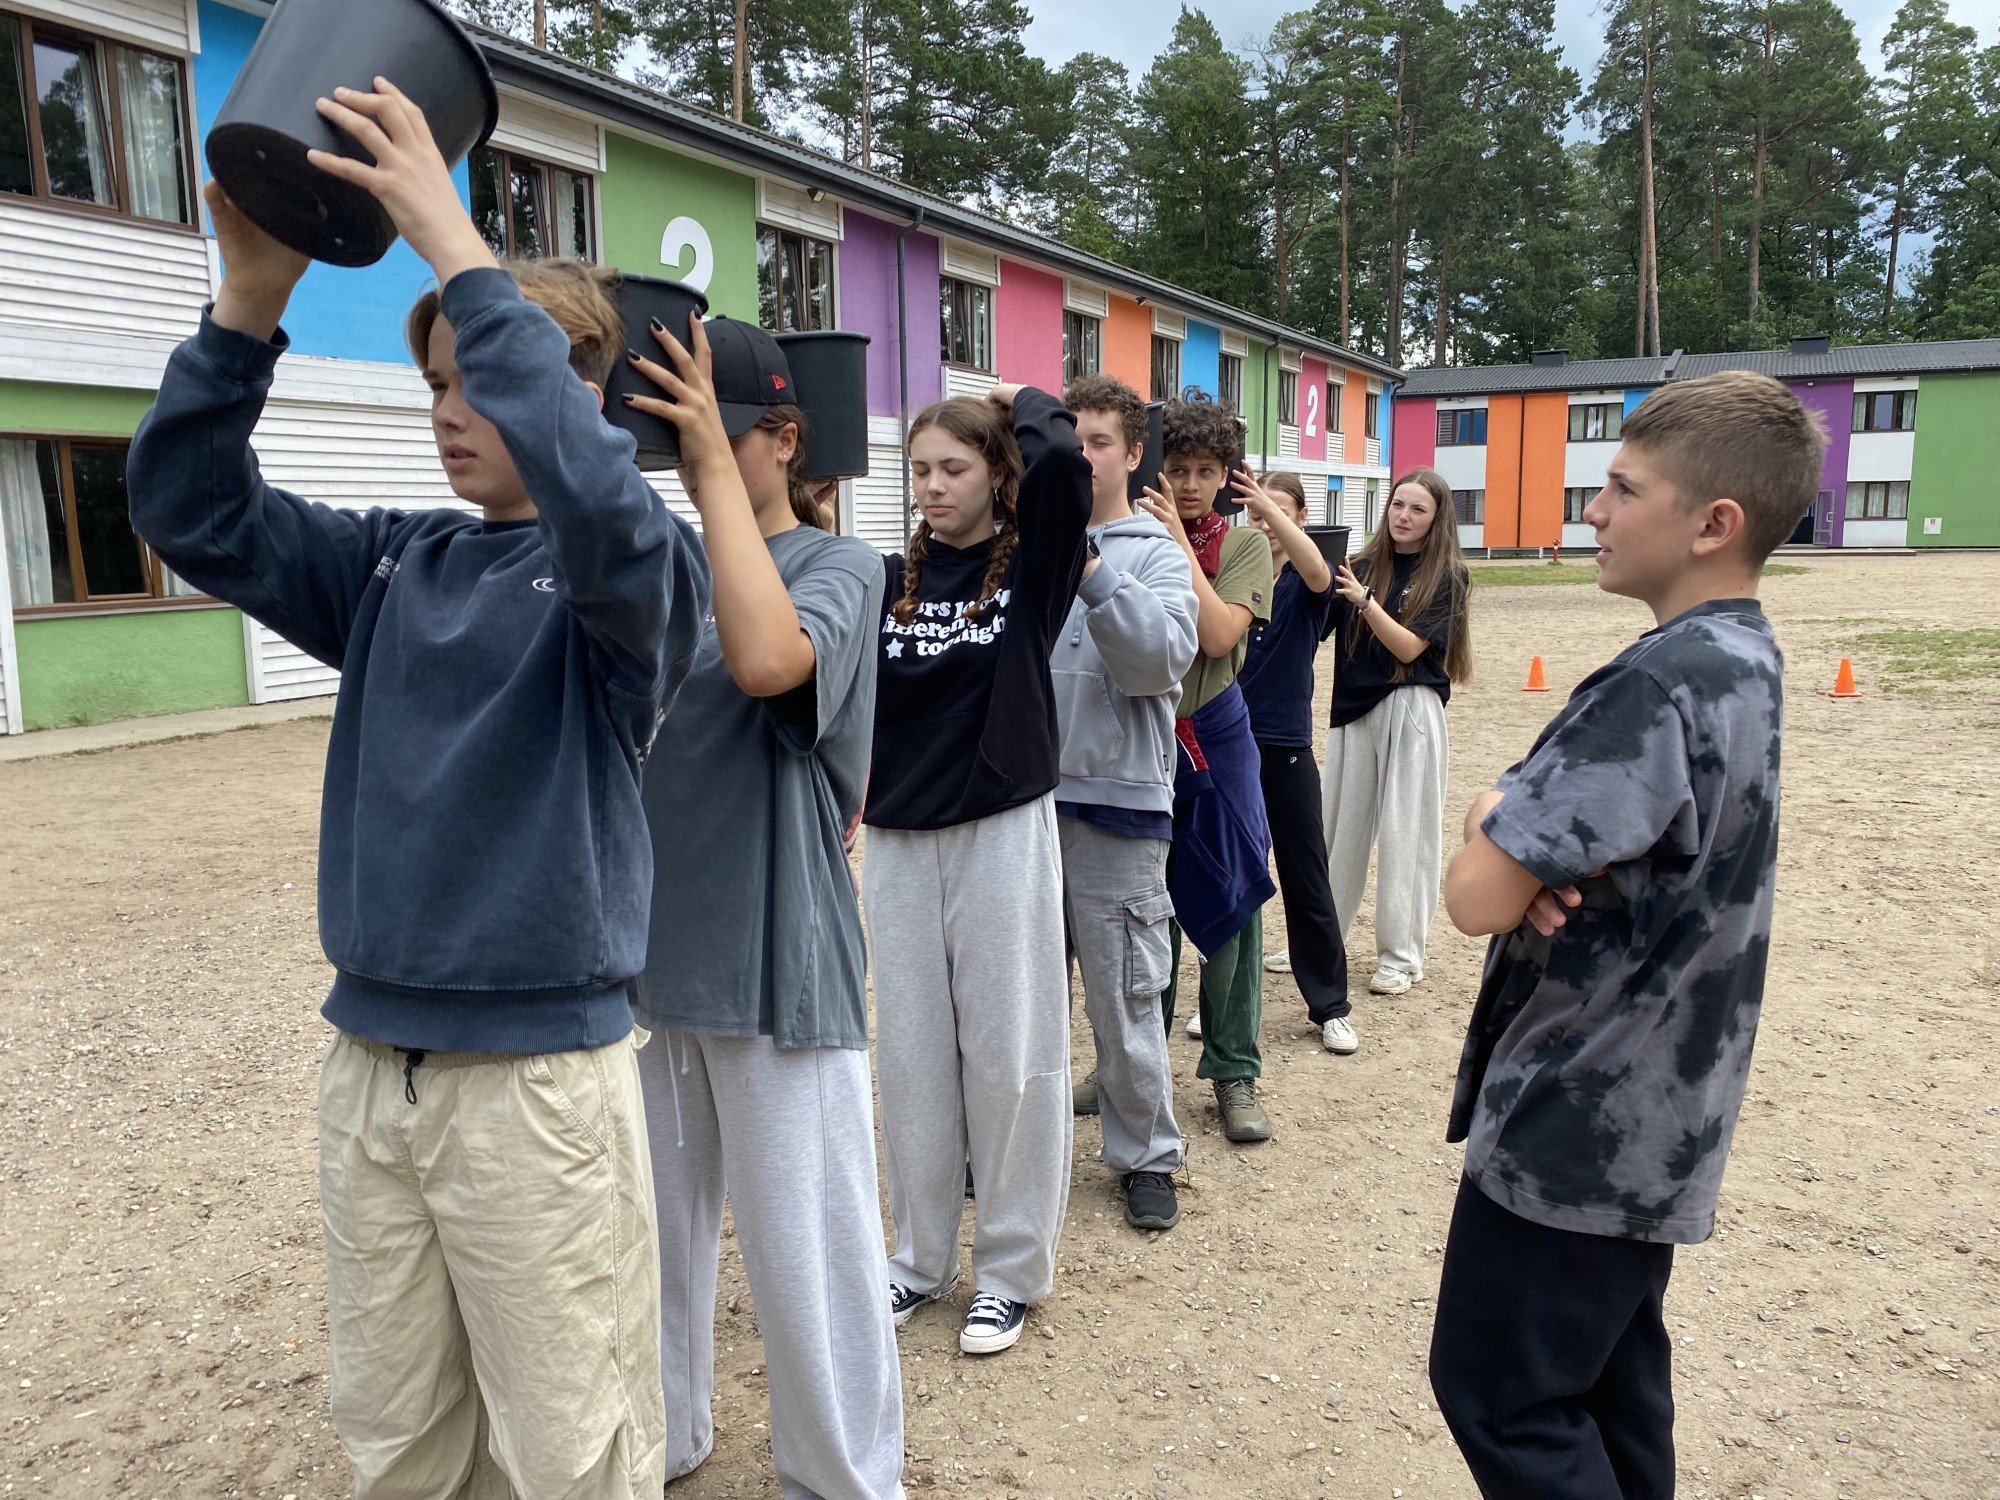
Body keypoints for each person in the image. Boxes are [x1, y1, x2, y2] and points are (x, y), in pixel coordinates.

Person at [126, 81, 706, 1499]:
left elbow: (601, 497)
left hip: (535, 1087)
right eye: (434, 385)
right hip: (370, 1063)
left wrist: (457, 246)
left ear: (568, 399)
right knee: (397, 1439)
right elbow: (189, 508)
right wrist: (247, 307)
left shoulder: (631, 581)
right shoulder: (395, 563)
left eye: (476, 380)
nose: (449, 412)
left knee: (569, 1451)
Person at [1428, 372, 1822, 1499]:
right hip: (1663, 1111)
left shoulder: (1655, 683)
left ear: (1713, 524)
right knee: (1609, 1390)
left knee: (1504, 1396)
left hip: (1582, 1113)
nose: (1593, 512)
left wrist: (1493, 816)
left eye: (1622, 489)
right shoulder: (1742, 655)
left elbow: (1474, 896)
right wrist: (1514, 825)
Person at [624, 321, 902, 1496]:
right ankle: (665, 1434)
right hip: (646, 956)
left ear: (784, 441)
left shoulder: (839, 567)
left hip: (774, 951)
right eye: (674, 431)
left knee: (808, 1252)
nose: (690, 453)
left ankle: (841, 1477)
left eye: (716, 431)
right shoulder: (657, 565)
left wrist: (708, 486)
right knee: (648, 1245)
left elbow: (766, 666)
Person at [865, 386, 1091, 1354]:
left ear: (998, 474)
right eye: (919, 469)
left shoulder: (1033, 571)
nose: (932, 486)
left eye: (953, 468)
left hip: (1000, 830)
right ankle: (919, 1259)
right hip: (898, 839)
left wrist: (1020, 403)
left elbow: (1066, 469)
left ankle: (1008, 1270)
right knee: (913, 1057)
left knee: (1010, 1054)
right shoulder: (886, 579)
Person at [1053, 374, 1199, 1232]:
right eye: (1069, 440)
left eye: (1099, 441)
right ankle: (1014, 1148)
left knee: (1126, 1001)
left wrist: (1091, 568)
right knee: (1022, 1005)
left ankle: (1146, 1156)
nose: (1082, 456)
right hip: (1023, 808)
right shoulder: (1020, 546)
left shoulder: (1156, 552)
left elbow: (1155, 667)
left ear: (1134, 453)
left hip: (1120, 811)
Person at [1136, 394, 1277, 1144]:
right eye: (1178, 469)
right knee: (1144, 908)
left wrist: (1178, 546)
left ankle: (1233, 1069)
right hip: (1142, 741)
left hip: (1216, 739)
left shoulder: (1244, 544)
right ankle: (1135, 1068)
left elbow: (1220, 635)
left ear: (1226, 475)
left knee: (1234, 902)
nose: (1189, 486)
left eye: (1204, 471)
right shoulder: (1128, 534)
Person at [1321, 467, 1472, 998]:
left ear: (1437, 519)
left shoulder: (1448, 576)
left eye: (1417, 509)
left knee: (1407, 833)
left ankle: (1401, 956)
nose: (1403, 517)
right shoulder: (1359, 565)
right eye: (1397, 505)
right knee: (1337, 833)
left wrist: (1365, 602)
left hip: (1411, 706)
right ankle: (1321, 942)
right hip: (1352, 709)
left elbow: (1409, 648)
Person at [1233, 470, 1355, 1054]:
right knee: (1233, 876)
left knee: (1306, 877)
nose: (1264, 522)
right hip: (1229, 745)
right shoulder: (1235, 574)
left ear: (1300, 519)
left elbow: (1317, 572)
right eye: (1255, 512)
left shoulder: (1309, 583)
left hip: (1285, 747)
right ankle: (1225, 999)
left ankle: (1330, 1006)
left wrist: (1271, 510)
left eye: (1278, 511)